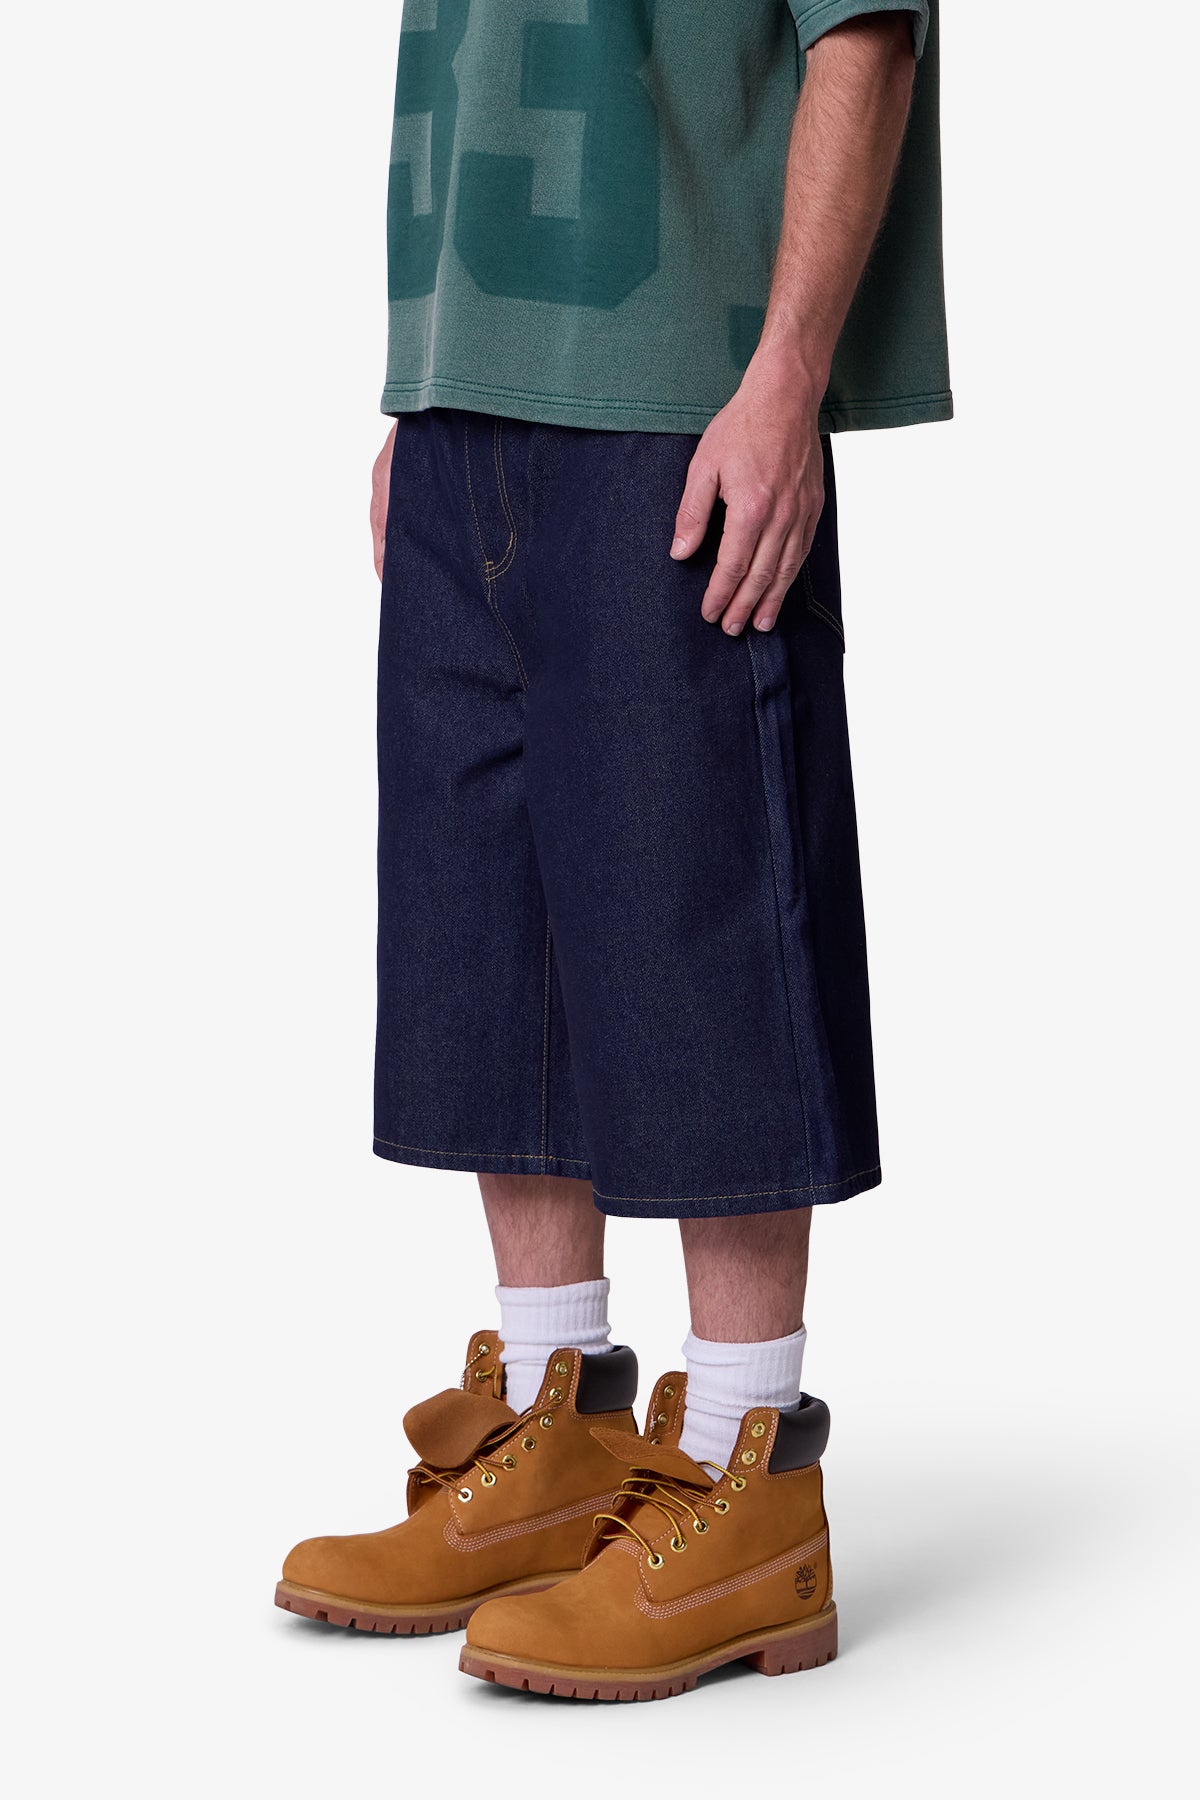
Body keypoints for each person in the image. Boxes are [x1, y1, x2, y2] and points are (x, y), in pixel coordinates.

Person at [276, 0, 950, 1702]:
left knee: (697, 916)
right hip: (466, 401)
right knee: (488, 932)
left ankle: (746, 1469)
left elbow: (865, 31)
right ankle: (555, 1417)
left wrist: (785, 379)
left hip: (679, 394)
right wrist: (438, 393)